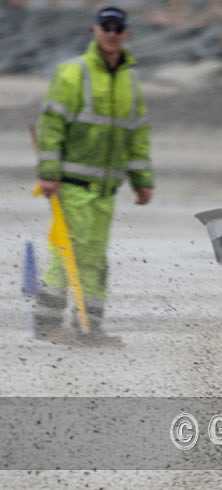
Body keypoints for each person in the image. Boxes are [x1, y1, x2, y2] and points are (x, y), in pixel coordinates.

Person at [34, 6, 152, 346]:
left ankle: (89, 328)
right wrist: (48, 173)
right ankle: (47, 324)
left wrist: (141, 179)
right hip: (70, 185)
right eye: (106, 27)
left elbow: (136, 133)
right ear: (95, 31)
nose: (111, 33)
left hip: (105, 189)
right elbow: (51, 125)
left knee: (95, 259)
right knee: (67, 252)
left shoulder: (130, 79)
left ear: (126, 33)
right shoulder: (73, 73)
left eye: (117, 28)